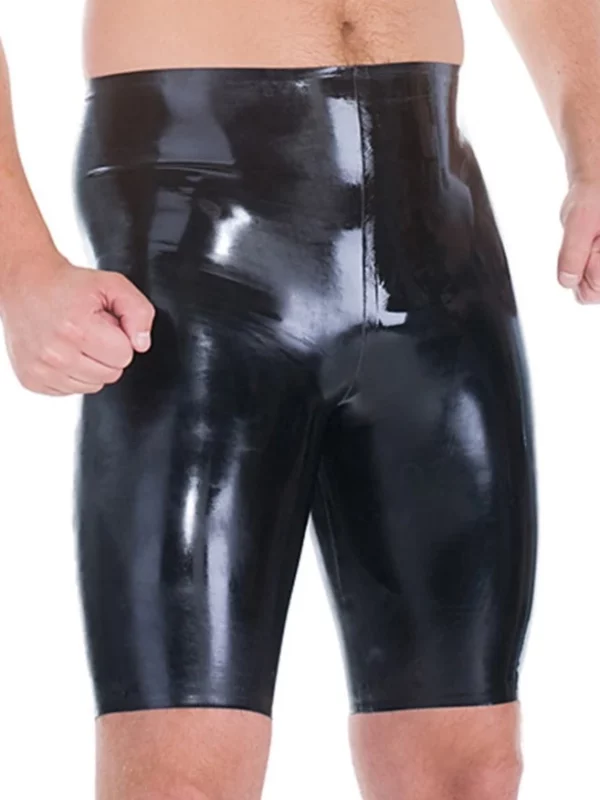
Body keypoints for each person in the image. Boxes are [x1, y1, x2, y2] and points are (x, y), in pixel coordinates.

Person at [0, 2, 597, 799]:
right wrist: (18, 266)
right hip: (201, 247)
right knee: (180, 781)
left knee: (471, 776)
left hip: (437, 247)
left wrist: (593, 144)